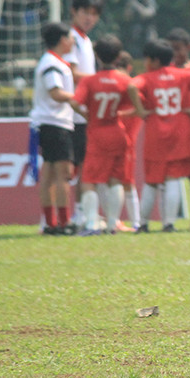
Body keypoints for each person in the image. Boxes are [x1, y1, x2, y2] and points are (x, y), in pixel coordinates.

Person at [128, 38, 190, 232]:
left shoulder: (147, 78)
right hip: (179, 131)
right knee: (174, 178)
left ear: (154, 61)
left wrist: (140, 110)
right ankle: (169, 223)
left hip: (156, 132)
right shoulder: (181, 75)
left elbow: (131, 86)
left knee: (152, 181)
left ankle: (143, 223)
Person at [70, 35, 131, 234]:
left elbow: (73, 102)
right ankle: (113, 223)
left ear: (96, 55)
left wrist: (87, 114)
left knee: (89, 180)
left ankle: (91, 224)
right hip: (117, 131)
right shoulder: (124, 80)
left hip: (97, 132)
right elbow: (140, 104)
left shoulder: (90, 81)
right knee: (115, 178)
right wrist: (121, 113)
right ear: (119, 56)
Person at [30, 22, 77, 235]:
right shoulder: (52, 64)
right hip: (54, 123)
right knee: (62, 174)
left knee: (49, 173)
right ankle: (63, 222)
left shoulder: (54, 62)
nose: (72, 41)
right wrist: (80, 99)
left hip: (50, 123)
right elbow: (56, 93)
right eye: (69, 37)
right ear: (62, 40)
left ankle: (51, 223)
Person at [65, 0, 103, 232]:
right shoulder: (70, 37)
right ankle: (57, 218)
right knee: (69, 168)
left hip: (83, 112)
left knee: (83, 165)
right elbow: (70, 71)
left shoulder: (86, 40)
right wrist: (102, 80)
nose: (89, 18)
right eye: (84, 13)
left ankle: (80, 214)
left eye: (94, 14)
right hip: (70, 112)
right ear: (74, 12)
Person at [168, 27, 190, 226]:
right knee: (171, 173)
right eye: (172, 50)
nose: (175, 54)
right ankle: (170, 219)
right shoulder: (167, 71)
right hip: (171, 129)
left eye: (178, 49)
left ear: (188, 48)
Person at [115, 50, 142, 230]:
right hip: (119, 139)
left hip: (125, 140)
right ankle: (119, 221)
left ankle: (135, 222)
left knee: (125, 180)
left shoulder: (130, 86)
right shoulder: (128, 85)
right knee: (120, 180)